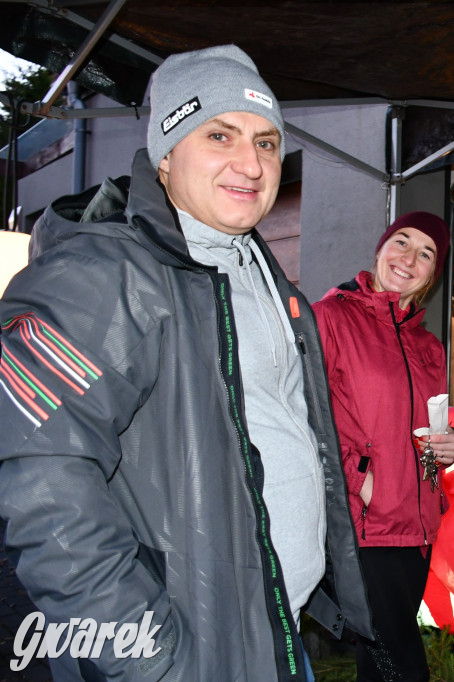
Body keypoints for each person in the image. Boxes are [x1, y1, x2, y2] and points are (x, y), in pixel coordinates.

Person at [0, 45, 371, 681]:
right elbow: (42, 486)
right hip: (187, 655)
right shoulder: (100, 276)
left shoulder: (263, 275)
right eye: (219, 135)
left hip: (276, 632)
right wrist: (148, 659)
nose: (250, 163)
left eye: (266, 141)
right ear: (165, 155)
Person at [312, 211, 454, 682]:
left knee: (380, 669)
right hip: (365, 526)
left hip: (417, 529)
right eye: (402, 241)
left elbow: (423, 428)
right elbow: (304, 416)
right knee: (400, 667)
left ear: (432, 274)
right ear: (380, 248)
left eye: (425, 253)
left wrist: (449, 445)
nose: (408, 258)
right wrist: (362, 481)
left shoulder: (428, 346)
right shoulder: (331, 317)